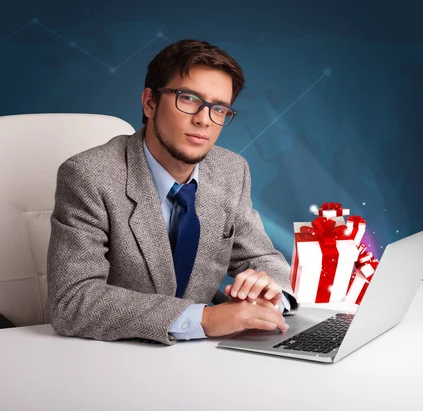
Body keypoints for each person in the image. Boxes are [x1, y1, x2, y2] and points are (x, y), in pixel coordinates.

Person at [47, 39, 299, 346]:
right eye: (189, 98)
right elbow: (73, 300)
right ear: (150, 102)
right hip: (113, 357)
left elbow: (263, 257)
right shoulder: (89, 176)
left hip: (199, 360)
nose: (204, 119)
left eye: (218, 108)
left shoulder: (232, 170)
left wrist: (270, 291)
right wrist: (204, 319)